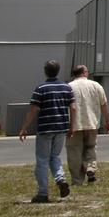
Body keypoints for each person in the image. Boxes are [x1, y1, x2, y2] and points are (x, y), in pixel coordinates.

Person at [18, 60, 77, 203]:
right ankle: (60, 178)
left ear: (45, 71)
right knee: (55, 157)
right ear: (58, 71)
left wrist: (24, 127)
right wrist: (71, 126)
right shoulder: (66, 88)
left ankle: (43, 193)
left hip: (45, 128)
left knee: (42, 160)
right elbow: (73, 108)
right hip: (61, 128)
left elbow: (34, 110)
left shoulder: (41, 88)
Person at [67, 64, 109, 185]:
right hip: (92, 123)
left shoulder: (69, 87)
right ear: (85, 73)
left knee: (74, 151)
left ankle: (77, 180)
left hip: (74, 124)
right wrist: (107, 121)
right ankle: (91, 168)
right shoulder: (96, 85)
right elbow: (104, 104)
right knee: (90, 147)